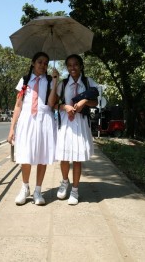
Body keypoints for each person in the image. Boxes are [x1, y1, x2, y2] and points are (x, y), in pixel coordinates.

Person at [7, 52, 59, 206]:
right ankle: (24, 188)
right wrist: (12, 129)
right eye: (40, 62)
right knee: (25, 155)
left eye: (46, 63)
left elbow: (51, 103)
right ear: (33, 63)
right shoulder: (24, 80)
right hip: (27, 120)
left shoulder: (49, 80)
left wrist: (55, 83)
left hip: (44, 120)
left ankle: (38, 190)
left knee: (42, 156)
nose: (43, 66)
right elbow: (18, 105)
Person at [54, 54, 99, 205]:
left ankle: (75, 190)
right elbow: (53, 104)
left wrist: (84, 101)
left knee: (77, 158)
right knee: (64, 156)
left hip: (80, 122)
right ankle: (65, 182)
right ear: (67, 67)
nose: (73, 68)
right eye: (69, 65)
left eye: (76, 64)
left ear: (81, 66)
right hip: (66, 122)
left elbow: (96, 102)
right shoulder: (63, 83)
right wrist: (64, 106)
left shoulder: (88, 82)